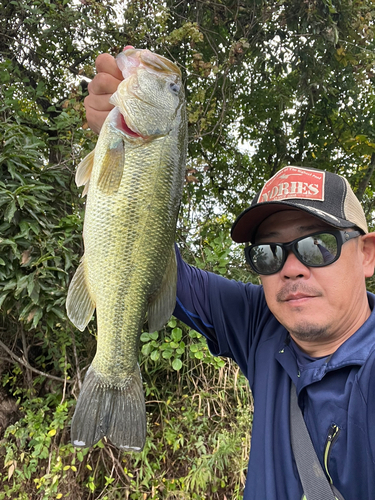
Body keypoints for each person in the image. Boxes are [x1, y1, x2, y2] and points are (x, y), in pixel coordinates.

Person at [83, 52, 375, 500]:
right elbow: (152, 261)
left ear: (367, 255)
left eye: (318, 244)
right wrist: (123, 158)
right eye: (267, 252)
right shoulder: (264, 325)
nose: (291, 266)